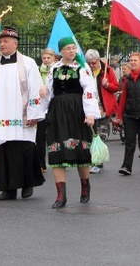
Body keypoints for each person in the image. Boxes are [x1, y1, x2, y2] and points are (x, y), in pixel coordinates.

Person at [0, 27, 46, 201]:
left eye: (6, 41)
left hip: (22, 115)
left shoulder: (28, 63)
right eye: (0, 41)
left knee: (24, 150)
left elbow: (35, 88)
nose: (2, 44)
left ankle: (27, 184)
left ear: (15, 43)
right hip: (1, 115)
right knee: (4, 152)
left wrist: (34, 113)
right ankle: (8, 189)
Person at [42, 37, 98, 209]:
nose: (71, 51)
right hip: (57, 111)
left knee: (81, 151)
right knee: (56, 150)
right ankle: (61, 195)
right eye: (67, 48)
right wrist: (43, 107)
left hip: (76, 110)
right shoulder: (54, 68)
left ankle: (85, 186)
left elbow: (89, 91)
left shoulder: (82, 68)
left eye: (73, 48)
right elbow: (49, 92)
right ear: (61, 51)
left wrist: (90, 114)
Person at [85, 49, 120, 174]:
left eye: (93, 63)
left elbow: (116, 87)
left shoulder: (107, 70)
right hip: (91, 108)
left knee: (101, 136)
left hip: (104, 108)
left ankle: (98, 163)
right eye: (89, 63)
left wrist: (107, 84)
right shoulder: (85, 71)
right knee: (92, 135)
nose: (91, 65)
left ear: (99, 60)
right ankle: (96, 160)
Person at [37, 48, 58, 172]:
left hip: (54, 105)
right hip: (41, 106)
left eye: (48, 58)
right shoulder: (38, 71)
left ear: (53, 58)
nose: (46, 60)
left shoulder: (56, 70)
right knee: (40, 136)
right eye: (44, 58)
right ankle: (41, 164)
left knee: (54, 135)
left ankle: (57, 160)